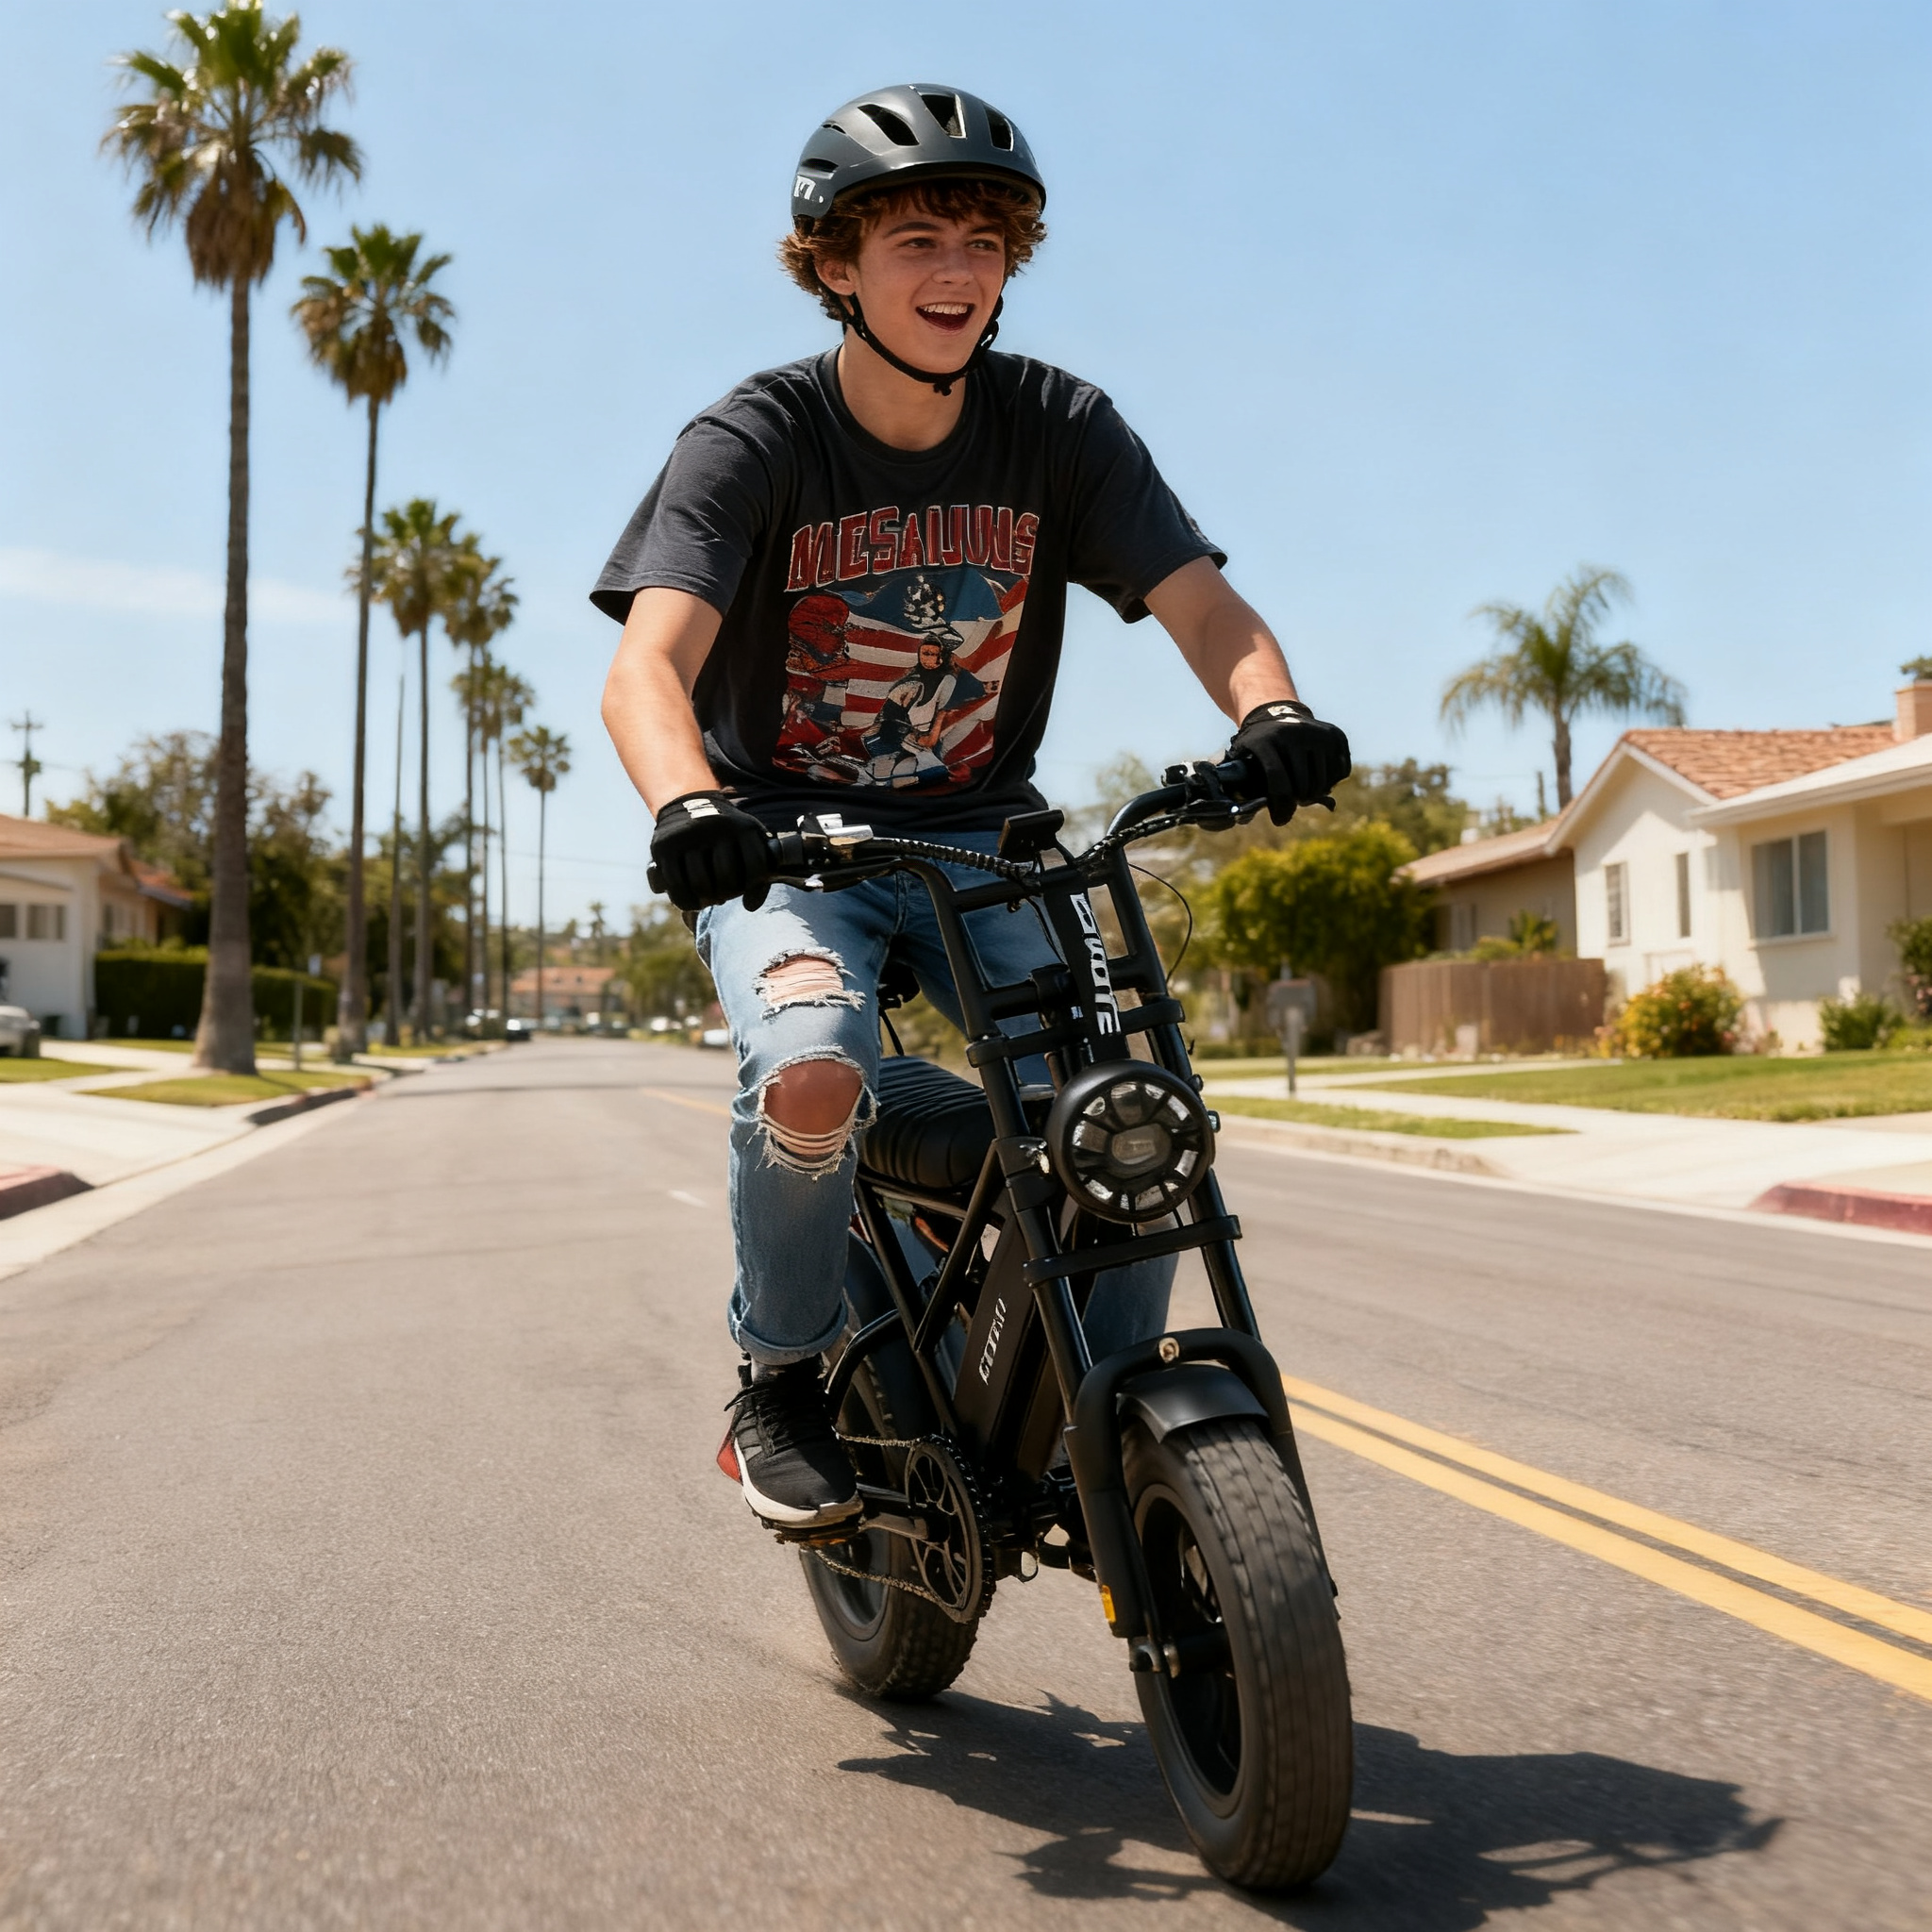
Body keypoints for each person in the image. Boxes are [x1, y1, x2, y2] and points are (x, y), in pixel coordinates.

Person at [595, 83, 1350, 1530]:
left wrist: (1273, 711)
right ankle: (783, 1378)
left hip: (988, 840)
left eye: (987, 241)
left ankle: (1101, 1410)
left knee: (1137, 1114)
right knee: (812, 1061)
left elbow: (1202, 605)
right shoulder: (753, 437)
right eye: (918, 238)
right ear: (833, 263)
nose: (957, 272)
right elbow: (649, 667)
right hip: (788, 852)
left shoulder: (1059, 427)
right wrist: (694, 808)